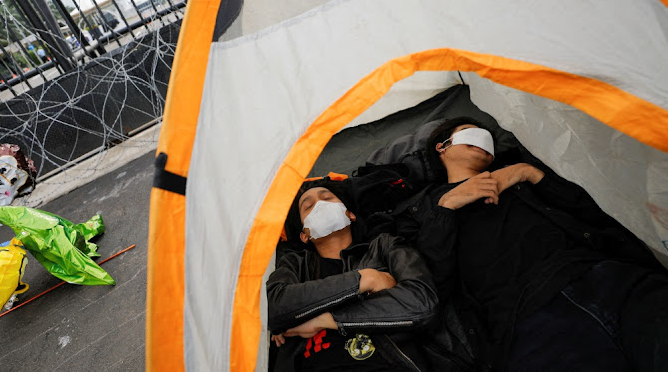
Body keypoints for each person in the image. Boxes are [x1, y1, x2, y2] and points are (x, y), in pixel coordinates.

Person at [413, 117, 668, 371]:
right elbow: (431, 281)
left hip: (604, 277)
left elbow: (593, 212)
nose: (483, 141)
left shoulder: (519, 176)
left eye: (488, 139)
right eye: (470, 132)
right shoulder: (425, 206)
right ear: (442, 146)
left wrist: (528, 172)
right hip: (527, 319)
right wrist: (446, 207)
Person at [267, 177, 455, 371]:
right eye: (309, 207)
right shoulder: (296, 265)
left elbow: (421, 302)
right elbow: (274, 307)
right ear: (304, 236)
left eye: (327, 198)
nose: (320, 205)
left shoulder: (384, 247)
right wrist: (366, 279)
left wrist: (326, 320)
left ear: (350, 214)